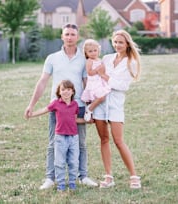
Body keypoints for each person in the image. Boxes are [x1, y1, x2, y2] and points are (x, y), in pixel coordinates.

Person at [24, 23, 98, 189]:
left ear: (77, 37)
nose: (70, 37)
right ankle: (50, 178)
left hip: (77, 106)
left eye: (73, 34)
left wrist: (90, 108)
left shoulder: (84, 59)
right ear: (62, 37)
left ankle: (83, 176)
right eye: (67, 34)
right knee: (53, 143)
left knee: (81, 144)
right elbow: (42, 82)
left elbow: (87, 84)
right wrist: (31, 105)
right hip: (57, 108)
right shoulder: (52, 58)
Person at [93, 29, 142, 189]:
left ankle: (134, 176)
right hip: (100, 102)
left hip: (115, 104)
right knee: (104, 139)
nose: (117, 45)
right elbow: (94, 74)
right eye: (115, 42)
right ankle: (108, 177)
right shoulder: (107, 58)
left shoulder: (131, 62)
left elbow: (122, 85)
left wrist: (104, 76)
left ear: (127, 43)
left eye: (120, 42)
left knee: (118, 141)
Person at [27, 80, 83, 192]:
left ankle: (72, 183)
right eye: (63, 90)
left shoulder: (75, 105)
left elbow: (75, 119)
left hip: (73, 138)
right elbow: (45, 110)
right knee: (59, 162)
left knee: (73, 161)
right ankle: (61, 184)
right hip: (60, 138)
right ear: (59, 92)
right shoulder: (56, 103)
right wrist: (32, 114)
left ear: (72, 92)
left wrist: (88, 120)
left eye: (68, 90)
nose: (66, 92)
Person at [81, 39, 111, 121]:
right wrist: (97, 69)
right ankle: (89, 109)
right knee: (101, 97)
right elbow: (89, 72)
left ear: (98, 50)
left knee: (103, 97)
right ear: (86, 53)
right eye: (90, 51)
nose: (93, 53)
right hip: (93, 82)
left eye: (95, 50)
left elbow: (103, 70)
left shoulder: (100, 60)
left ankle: (95, 110)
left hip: (100, 81)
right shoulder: (89, 61)